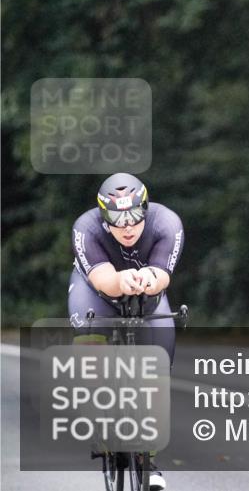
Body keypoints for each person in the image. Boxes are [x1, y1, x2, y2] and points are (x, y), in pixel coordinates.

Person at [69, 173, 184, 491]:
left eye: (135, 216)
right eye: (118, 219)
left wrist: (150, 277)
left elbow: (163, 274)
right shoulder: (85, 227)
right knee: (90, 344)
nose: (128, 226)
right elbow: (105, 280)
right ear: (104, 218)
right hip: (95, 293)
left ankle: (149, 461)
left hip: (150, 297)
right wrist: (122, 281)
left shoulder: (167, 223)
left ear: (146, 209)